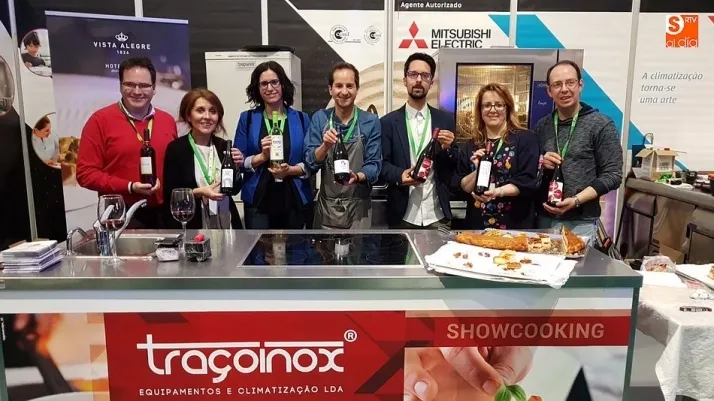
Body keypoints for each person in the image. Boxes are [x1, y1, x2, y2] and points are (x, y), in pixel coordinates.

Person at [76, 56, 177, 228]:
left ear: (154, 88)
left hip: (165, 212)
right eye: (130, 84)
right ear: (120, 86)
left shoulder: (167, 120)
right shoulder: (100, 121)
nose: (137, 91)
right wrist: (129, 186)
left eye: (144, 85)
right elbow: (85, 174)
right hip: (120, 214)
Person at [535, 60, 623, 234]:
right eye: (557, 85)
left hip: (582, 223)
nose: (564, 89)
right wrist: (541, 162)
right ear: (549, 91)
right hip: (544, 219)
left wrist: (576, 200)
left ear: (580, 85)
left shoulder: (601, 124)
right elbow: (530, 169)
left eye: (570, 82)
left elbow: (613, 175)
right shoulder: (542, 126)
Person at [380, 52, 457, 230]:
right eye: (413, 74)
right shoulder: (388, 122)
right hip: (403, 215)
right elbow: (381, 165)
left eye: (425, 75)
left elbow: (454, 167)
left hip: (437, 215)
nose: (419, 80)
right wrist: (400, 175)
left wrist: (447, 149)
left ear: (431, 82)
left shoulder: (445, 120)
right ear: (405, 79)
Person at [234, 61, 312, 229]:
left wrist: (290, 170)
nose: (269, 88)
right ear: (257, 88)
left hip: (294, 198)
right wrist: (261, 157)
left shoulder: (301, 118)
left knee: (296, 246)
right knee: (259, 246)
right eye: (264, 83)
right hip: (258, 200)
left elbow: (311, 161)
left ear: (283, 84)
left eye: (274, 82)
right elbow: (237, 162)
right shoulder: (247, 119)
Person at [303, 62, 382, 229]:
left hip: (359, 208)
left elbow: (374, 165)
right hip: (327, 209)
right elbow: (310, 162)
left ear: (357, 89)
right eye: (339, 86)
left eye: (349, 86)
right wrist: (324, 146)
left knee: (358, 247)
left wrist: (357, 176)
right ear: (330, 89)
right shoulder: (320, 119)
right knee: (325, 247)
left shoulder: (370, 121)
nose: (344, 92)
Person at [457, 83, 540, 229]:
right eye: (487, 105)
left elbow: (527, 181)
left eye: (499, 105)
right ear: (480, 110)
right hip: (477, 227)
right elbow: (462, 186)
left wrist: (497, 192)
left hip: (515, 226)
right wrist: (478, 171)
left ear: (507, 108)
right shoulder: (472, 144)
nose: (492, 110)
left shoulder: (526, 139)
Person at [163, 89, 243, 229]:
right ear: (188, 116)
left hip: (226, 220)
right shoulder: (176, 148)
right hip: (193, 223)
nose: (207, 117)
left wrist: (236, 169)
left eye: (212, 111)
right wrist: (199, 192)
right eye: (200, 110)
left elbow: (234, 189)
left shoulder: (223, 146)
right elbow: (171, 194)